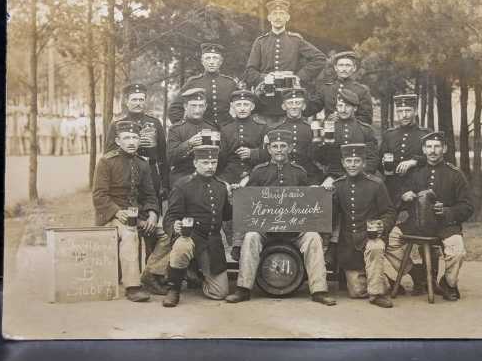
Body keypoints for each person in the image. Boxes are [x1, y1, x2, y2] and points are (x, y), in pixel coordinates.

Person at [225, 129, 336, 306]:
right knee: (251, 236)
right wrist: (239, 191)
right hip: (265, 230)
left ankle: (319, 290)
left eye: (283, 146)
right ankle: (243, 289)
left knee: (313, 237)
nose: (279, 150)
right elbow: (247, 203)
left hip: (294, 229)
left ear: (290, 148)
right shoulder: (259, 172)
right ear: (268, 149)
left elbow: (308, 200)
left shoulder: (299, 172)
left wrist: (321, 191)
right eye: (275, 146)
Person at [92, 121, 166, 302]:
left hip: (138, 215)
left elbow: (150, 195)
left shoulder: (142, 164)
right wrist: (117, 212)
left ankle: (151, 273)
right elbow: (99, 196)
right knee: (129, 233)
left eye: (135, 137)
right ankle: (133, 286)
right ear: (118, 141)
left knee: (166, 233)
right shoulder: (106, 162)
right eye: (127, 138)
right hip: (112, 215)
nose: (132, 141)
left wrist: (152, 214)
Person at [399, 131, 474, 301]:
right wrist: (404, 196)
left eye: (437, 146)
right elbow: (400, 194)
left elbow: (468, 207)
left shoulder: (455, 174)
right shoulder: (414, 172)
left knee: (457, 250)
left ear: (445, 149)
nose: (433, 151)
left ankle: (447, 283)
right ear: (424, 150)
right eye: (429, 147)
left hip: (445, 225)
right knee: (390, 241)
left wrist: (447, 211)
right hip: (416, 224)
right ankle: (417, 273)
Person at [162, 145, 232, 307]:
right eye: (205, 162)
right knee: (181, 246)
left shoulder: (221, 186)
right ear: (195, 163)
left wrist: (235, 196)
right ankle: (174, 287)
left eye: (213, 162)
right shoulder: (183, 185)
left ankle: (193, 272)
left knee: (219, 293)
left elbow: (227, 215)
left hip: (212, 242)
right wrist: (175, 226)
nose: (210, 166)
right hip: (191, 236)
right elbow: (170, 217)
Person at [329, 143, 397, 308]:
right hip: (348, 244)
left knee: (376, 247)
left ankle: (377, 294)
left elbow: (389, 212)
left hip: (369, 237)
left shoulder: (376, 184)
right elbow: (331, 215)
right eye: (349, 161)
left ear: (364, 163)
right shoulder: (337, 186)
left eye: (356, 161)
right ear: (343, 163)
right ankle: (384, 281)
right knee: (357, 292)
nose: (352, 164)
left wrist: (383, 224)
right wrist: (325, 195)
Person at [379, 93, 432, 294]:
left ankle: (429, 278)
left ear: (415, 111)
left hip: (417, 195)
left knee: (421, 236)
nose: (404, 114)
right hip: (393, 194)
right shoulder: (389, 135)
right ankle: (413, 272)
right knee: (385, 237)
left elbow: (435, 157)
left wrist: (415, 161)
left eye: (408, 110)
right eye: (400, 111)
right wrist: (384, 165)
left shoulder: (424, 134)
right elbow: (378, 160)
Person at [243, 0, 326, 127]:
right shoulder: (260, 42)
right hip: (266, 101)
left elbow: (319, 58)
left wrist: (299, 77)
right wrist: (265, 78)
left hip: (290, 101)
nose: (278, 17)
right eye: (274, 14)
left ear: (287, 18)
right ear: (269, 18)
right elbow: (250, 72)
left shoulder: (296, 40)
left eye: (281, 14)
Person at [106, 83, 170, 203]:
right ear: (126, 101)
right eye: (134, 99)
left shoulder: (155, 123)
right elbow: (109, 154)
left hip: (151, 175)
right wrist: (134, 144)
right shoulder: (117, 124)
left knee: (151, 212)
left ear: (145, 101)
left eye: (141, 99)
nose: (138, 103)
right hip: (125, 174)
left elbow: (163, 155)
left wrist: (165, 184)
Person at [314, 89, 379, 187]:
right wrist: (321, 140)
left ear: (355, 108)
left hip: (359, 176)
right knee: (323, 195)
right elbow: (320, 159)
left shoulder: (365, 130)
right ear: (336, 107)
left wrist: (359, 177)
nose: (343, 110)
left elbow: (372, 160)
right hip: (335, 176)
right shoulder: (329, 128)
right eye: (340, 106)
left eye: (347, 106)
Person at [168, 43, 241, 127]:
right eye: (208, 58)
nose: (211, 62)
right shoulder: (193, 82)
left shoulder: (230, 83)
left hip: (226, 132)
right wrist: (186, 129)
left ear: (221, 61)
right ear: (202, 61)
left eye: (215, 58)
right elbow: (174, 110)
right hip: (202, 132)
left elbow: (244, 105)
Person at [167, 88, 219, 186]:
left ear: (205, 107)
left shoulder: (212, 128)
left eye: (200, 106)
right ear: (185, 106)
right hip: (183, 175)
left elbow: (220, 156)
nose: (197, 110)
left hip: (208, 174)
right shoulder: (175, 129)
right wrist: (189, 144)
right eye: (193, 105)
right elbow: (170, 158)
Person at [305, 51, 373, 124]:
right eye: (341, 65)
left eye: (348, 65)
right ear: (335, 68)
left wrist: (345, 118)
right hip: (331, 132)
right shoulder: (326, 89)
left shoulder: (362, 90)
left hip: (352, 133)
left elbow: (367, 119)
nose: (344, 69)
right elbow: (308, 110)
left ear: (354, 68)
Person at [217, 89, 268, 185]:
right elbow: (222, 158)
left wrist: (253, 153)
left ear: (252, 107)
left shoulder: (262, 128)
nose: (242, 108)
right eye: (238, 105)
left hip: (256, 174)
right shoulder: (226, 129)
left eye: (246, 104)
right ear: (232, 106)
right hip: (230, 175)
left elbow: (270, 153)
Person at [274, 87, 323, 184]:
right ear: (284, 106)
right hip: (283, 176)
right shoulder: (276, 130)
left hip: (308, 176)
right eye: (290, 103)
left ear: (304, 106)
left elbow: (320, 157)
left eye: (298, 103)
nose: (294, 106)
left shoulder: (312, 129)